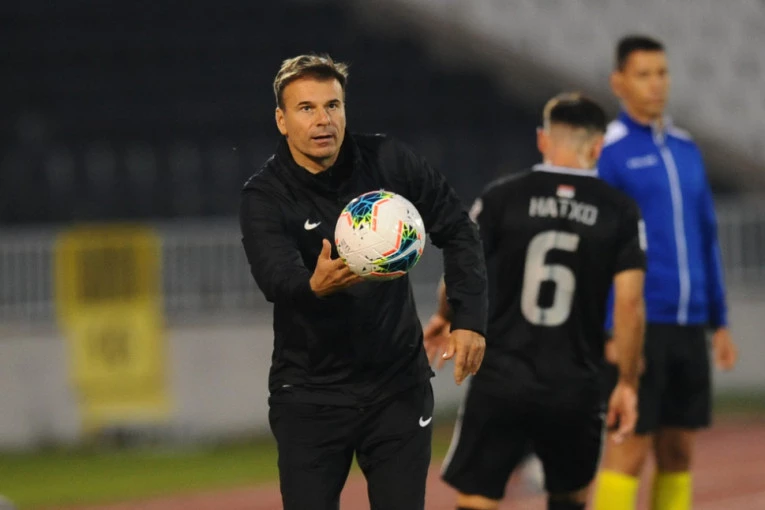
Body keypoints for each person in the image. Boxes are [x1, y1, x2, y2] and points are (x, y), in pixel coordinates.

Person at [238, 53, 488, 510]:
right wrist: (310, 286)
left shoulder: (387, 161)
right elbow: (274, 277)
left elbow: (458, 228)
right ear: (281, 120)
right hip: (310, 394)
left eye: (332, 105)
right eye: (306, 108)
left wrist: (469, 317)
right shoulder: (265, 195)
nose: (323, 120)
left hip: (397, 386)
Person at [424, 93, 647, 510]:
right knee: (571, 496)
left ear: (543, 139)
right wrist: (628, 383)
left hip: (501, 377)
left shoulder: (501, 197)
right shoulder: (619, 210)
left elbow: (461, 270)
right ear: (598, 146)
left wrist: (444, 314)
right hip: (576, 384)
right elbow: (630, 304)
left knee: (476, 499)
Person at [592, 35, 739, 510]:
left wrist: (719, 321)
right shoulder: (609, 152)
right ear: (619, 82)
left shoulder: (686, 149)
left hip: (689, 324)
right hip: (639, 323)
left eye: (662, 73)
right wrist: (611, 328)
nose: (656, 84)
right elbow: (599, 249)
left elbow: (706, 235)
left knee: (678, 453)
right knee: (628, 450)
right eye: (643, 74)